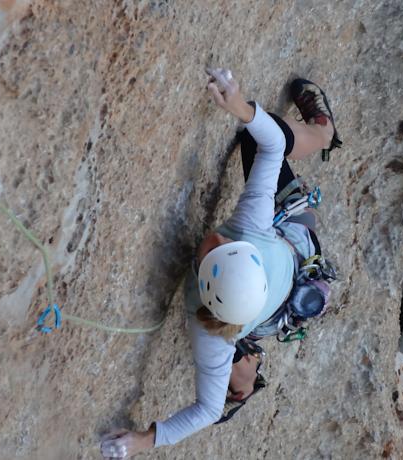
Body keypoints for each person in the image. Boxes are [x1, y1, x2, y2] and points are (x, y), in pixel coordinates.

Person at [100, 68, 341, 459]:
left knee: (233, 365)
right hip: (293, 251)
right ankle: (322, 133)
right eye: (228, 247)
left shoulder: (208, 336)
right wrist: (241, 106)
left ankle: (244, 373)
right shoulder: (250, 231)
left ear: (206, 290)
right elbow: (272, 145)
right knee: (260, 135)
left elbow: (208, 410)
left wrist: (142, 439)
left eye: (214, 252)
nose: (218, 239)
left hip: (265, 308)